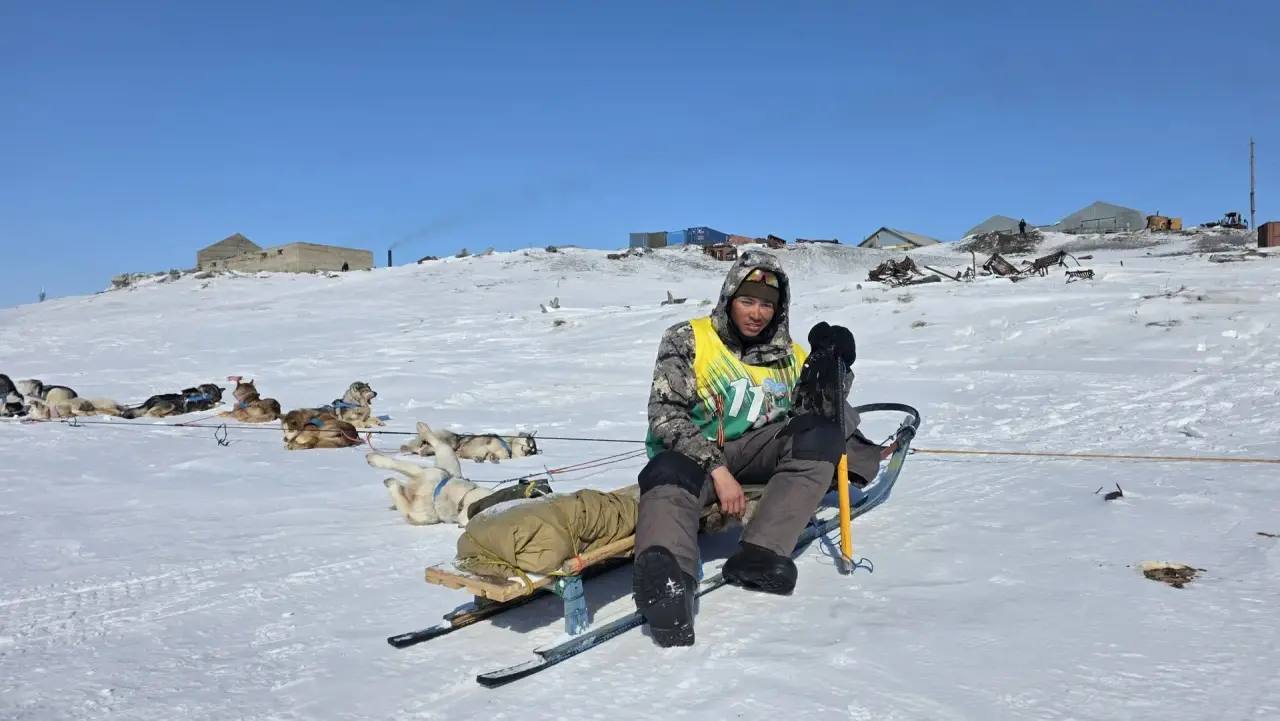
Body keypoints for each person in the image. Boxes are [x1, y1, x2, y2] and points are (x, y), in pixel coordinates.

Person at [632, 250, 880, 647]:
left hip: (759, 451)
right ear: (729, 297)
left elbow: (817, 415)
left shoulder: (790, 355)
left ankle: (760, 553)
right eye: (747, 301)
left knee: (820, 433)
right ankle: (670, 585)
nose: (756, 313)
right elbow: (665, 417)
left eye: (767, 304)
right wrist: (719, 470)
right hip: (693, 457)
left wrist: (835, 370)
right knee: (666, 473)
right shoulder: (689, 339)